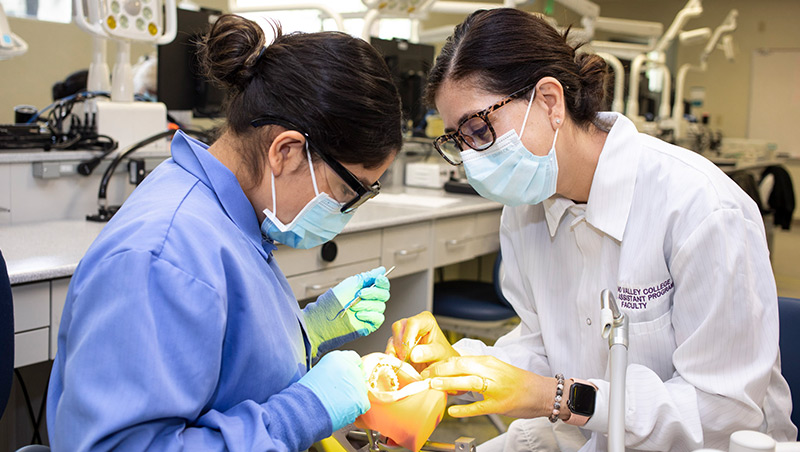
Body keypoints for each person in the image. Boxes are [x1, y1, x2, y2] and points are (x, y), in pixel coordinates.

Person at [388, 8, 796, 451]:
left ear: (550, 101)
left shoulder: (701, 207)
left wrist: (558, 397)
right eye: (457, 140)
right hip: (578, 436)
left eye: (478, 129)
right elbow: (540, 348)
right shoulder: (525, 209)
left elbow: (721, 410)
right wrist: (455, 365)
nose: (471, 159)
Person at [47, 14, 403, 452]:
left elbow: (220, 364)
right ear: (287, 151)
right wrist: (305, 410)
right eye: (348, 190)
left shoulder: (231, 216)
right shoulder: (163, 257)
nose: (344, 210)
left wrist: (307, 329)